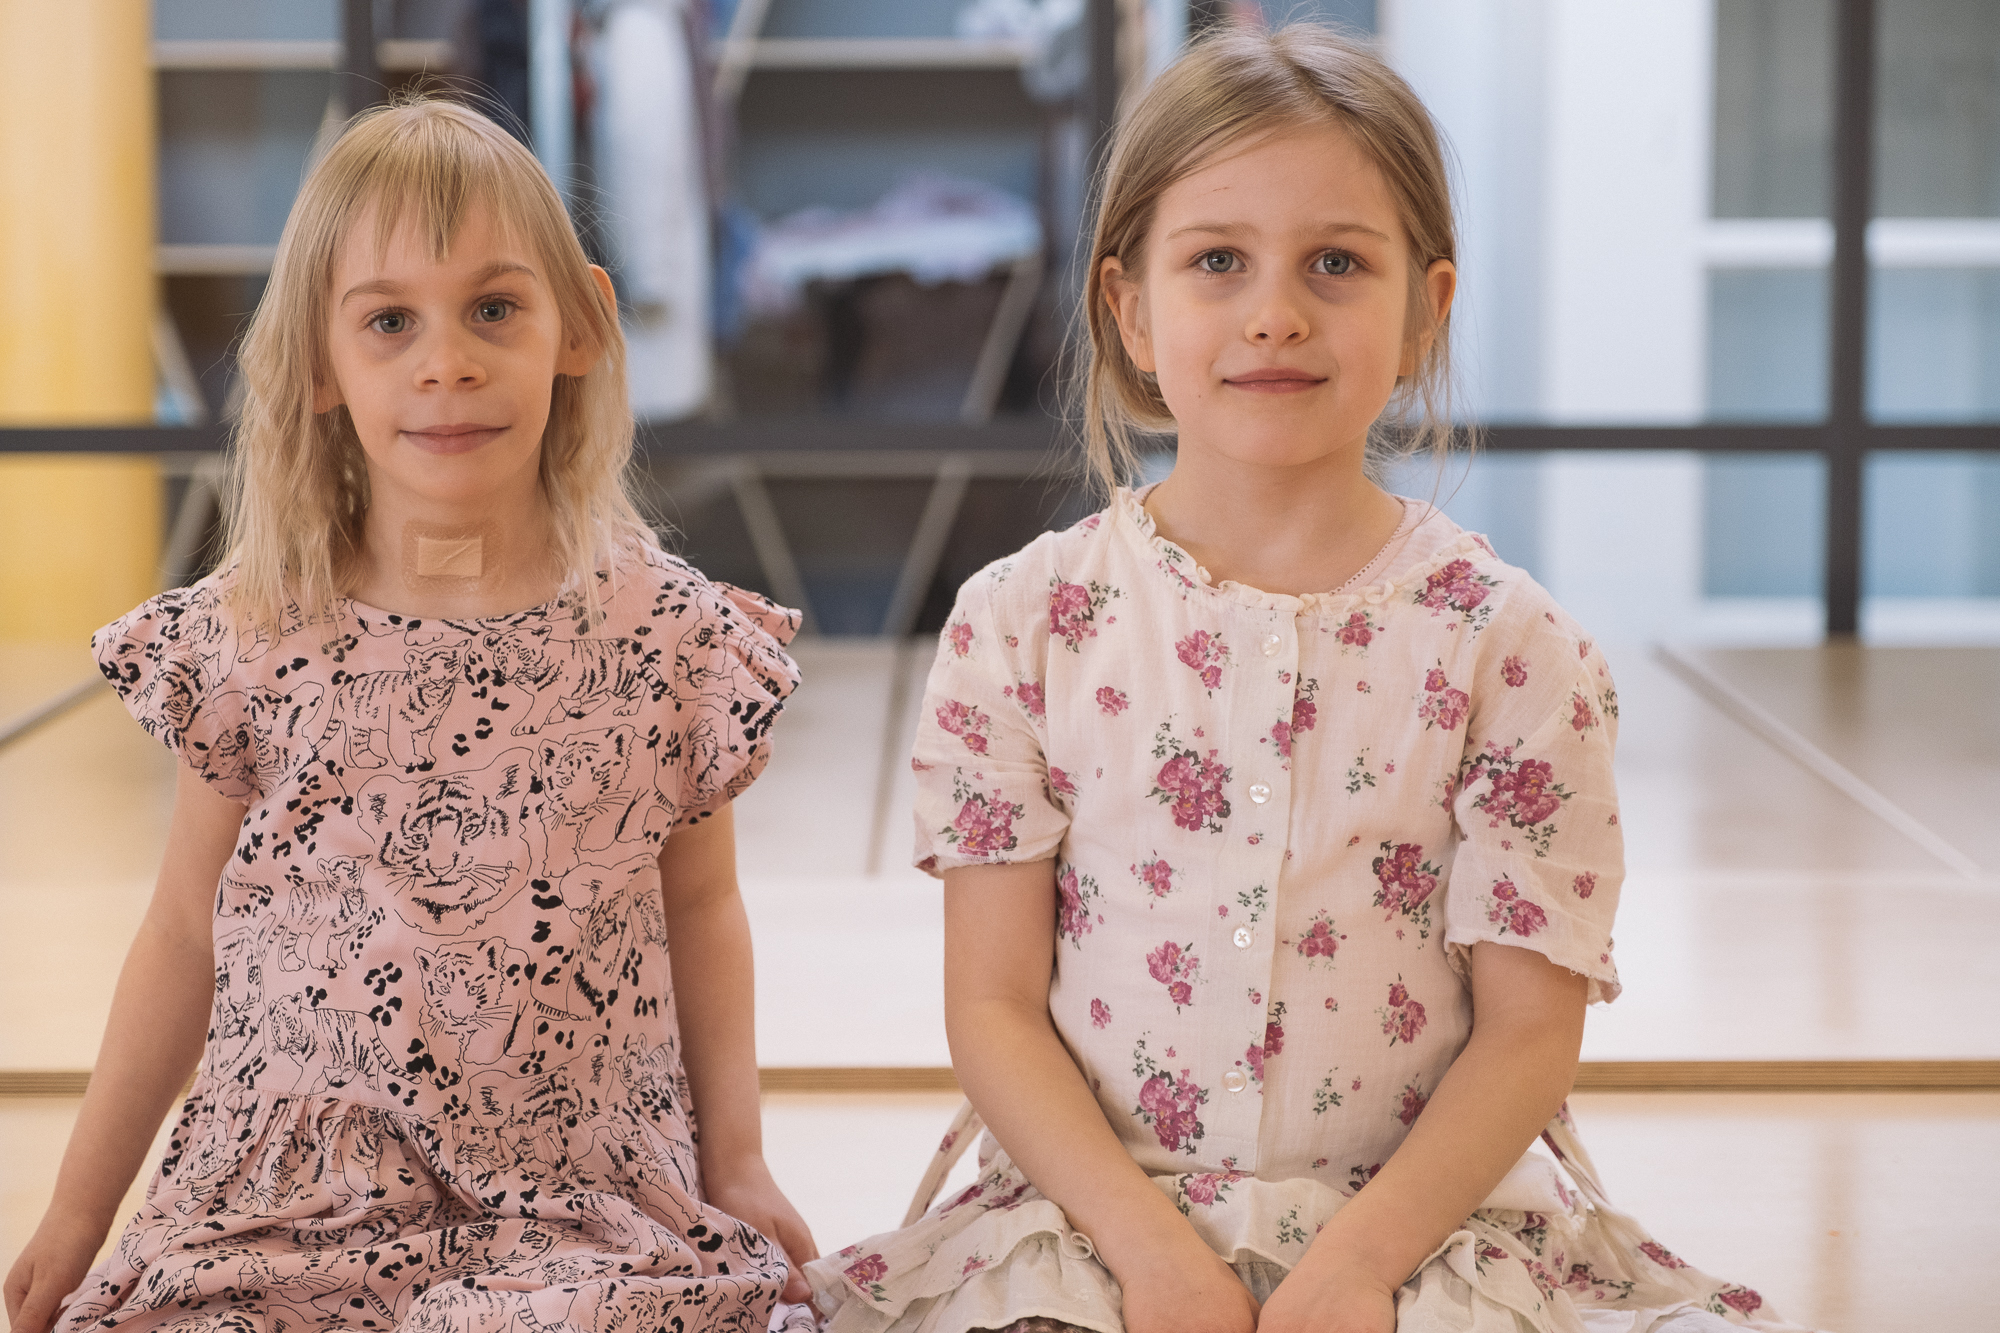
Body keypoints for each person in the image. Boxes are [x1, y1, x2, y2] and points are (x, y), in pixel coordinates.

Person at [804, 24, 1811, 1333]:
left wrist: (1357, 1269)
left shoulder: (1514, 649)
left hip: (1425, 1233)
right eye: (1217, 261)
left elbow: (1526, 1033)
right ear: (1130, 309)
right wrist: (1150, 1258)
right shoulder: (1018, 625)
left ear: (1424, 311)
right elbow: (992, 1007)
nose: (1274, 312)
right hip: (1088, 1225)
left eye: (1335, 263)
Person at [3, 98, 818, 1333]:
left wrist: (737, 1162)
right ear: (319, 363)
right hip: (280, 1206)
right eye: (390, 322)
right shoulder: (255, 633)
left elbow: (703, 909)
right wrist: (77, 1213)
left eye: (493, 309)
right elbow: (181, 929)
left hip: (570, 1201)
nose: (447, 363)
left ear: (581, 323)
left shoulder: (665, 636)